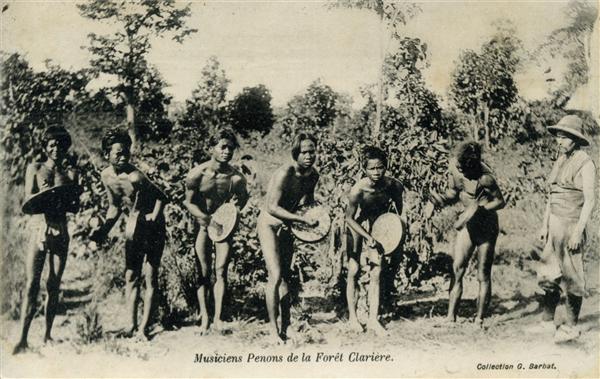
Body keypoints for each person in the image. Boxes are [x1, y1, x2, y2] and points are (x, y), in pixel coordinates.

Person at [91, 128, 169, 340]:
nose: (123, 156)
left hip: (153, 227)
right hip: (133, 228)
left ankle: (144, 329)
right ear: (107, 154)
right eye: (118, 153)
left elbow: (161, 196)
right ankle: (130, 325)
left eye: (126, 152)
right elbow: (114, 206)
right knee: (131, 275)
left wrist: (154, 215)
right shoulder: (106, 176)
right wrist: (103, 230)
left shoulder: (136, 176)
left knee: (150, 276)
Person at [13, 126, 80, 354]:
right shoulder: (35, 168)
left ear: (65, 147)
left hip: (60, 228)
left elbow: (75, 206)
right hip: (39, 227)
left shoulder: (71, 173)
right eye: (51, 145)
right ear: (45, 147)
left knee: (53, 284)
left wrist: (65, 195)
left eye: (60, 144)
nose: (56, 148)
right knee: (32, 284)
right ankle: (22, 339)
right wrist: (42, 195)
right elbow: (27, 204)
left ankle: (48, 334)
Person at [430, 141, 505, 327]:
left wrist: (481, 209)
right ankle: (450, 317)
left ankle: (479, 319)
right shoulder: (456, 169)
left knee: (482, 274)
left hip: (486, 226)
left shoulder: (486, 178)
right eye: (459, 167)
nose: (461, 171)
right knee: (457, 268)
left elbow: (500, 201)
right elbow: (453, 192)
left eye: (464, 169)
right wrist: (437, 200)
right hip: (467, 224)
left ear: (473, 166)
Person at [536, 115, 595, 342]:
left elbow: (589, 200)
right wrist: (545, 224)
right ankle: (547, 321)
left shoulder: (585, 163)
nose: (560, 141)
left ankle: (571, 327)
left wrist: (579, 231)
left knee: (572, 276)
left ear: (575, 139)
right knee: (548, 273)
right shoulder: (560, 160)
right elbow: (552, 195)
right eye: (558, 137)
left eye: (565, 137)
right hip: (554, 224)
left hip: (571, 225)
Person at [183, 128, 249, 334]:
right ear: (212, 148)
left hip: (223, 227)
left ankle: (218, 319)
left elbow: (243, 199)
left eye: (231, 148)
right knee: (203, 272)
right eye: (222, 147)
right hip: (203, 225)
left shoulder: (236, 178)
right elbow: (188, 202)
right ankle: (204, 318)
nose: (227, 151)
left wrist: (232, 213)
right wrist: (204, 218)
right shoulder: (197, 174)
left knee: (221, 270)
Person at [257, 132, 320, 344]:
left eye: (312, 151)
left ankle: (287, 326)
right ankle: (273, 332)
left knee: (286, 276)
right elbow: (271, 207)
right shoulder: (286, 172)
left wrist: (314, 219)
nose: (309, 156)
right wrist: (299, 220)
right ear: (296, 153)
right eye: (304, 152)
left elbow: (307, 204)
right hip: (269, 225)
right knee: (274, 275)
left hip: (287, 227)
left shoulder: (313, 176)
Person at [344, 146, 404, 336]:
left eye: (380, 167)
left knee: (376, 272)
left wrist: (393, 231)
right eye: (372, 168)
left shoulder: (393, 185)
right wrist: (367, 237)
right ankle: (353, 319)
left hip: (378, 227)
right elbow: (349, 218)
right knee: (353, 270)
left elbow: (398, 211)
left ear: (386, 166)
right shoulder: (358, 190)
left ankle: (372, 320)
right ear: (364, 169)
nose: (376, 172)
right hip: (356, 227)